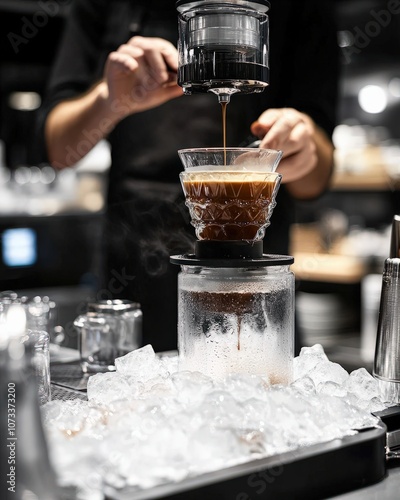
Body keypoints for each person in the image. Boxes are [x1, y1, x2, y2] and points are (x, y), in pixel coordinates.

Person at [38, 0, 339, 352]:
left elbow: (319, 178)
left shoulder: (305, 9)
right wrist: (111, 100)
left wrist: (305, 146)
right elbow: (59, 151)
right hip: (133, 274)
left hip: (256, 285)